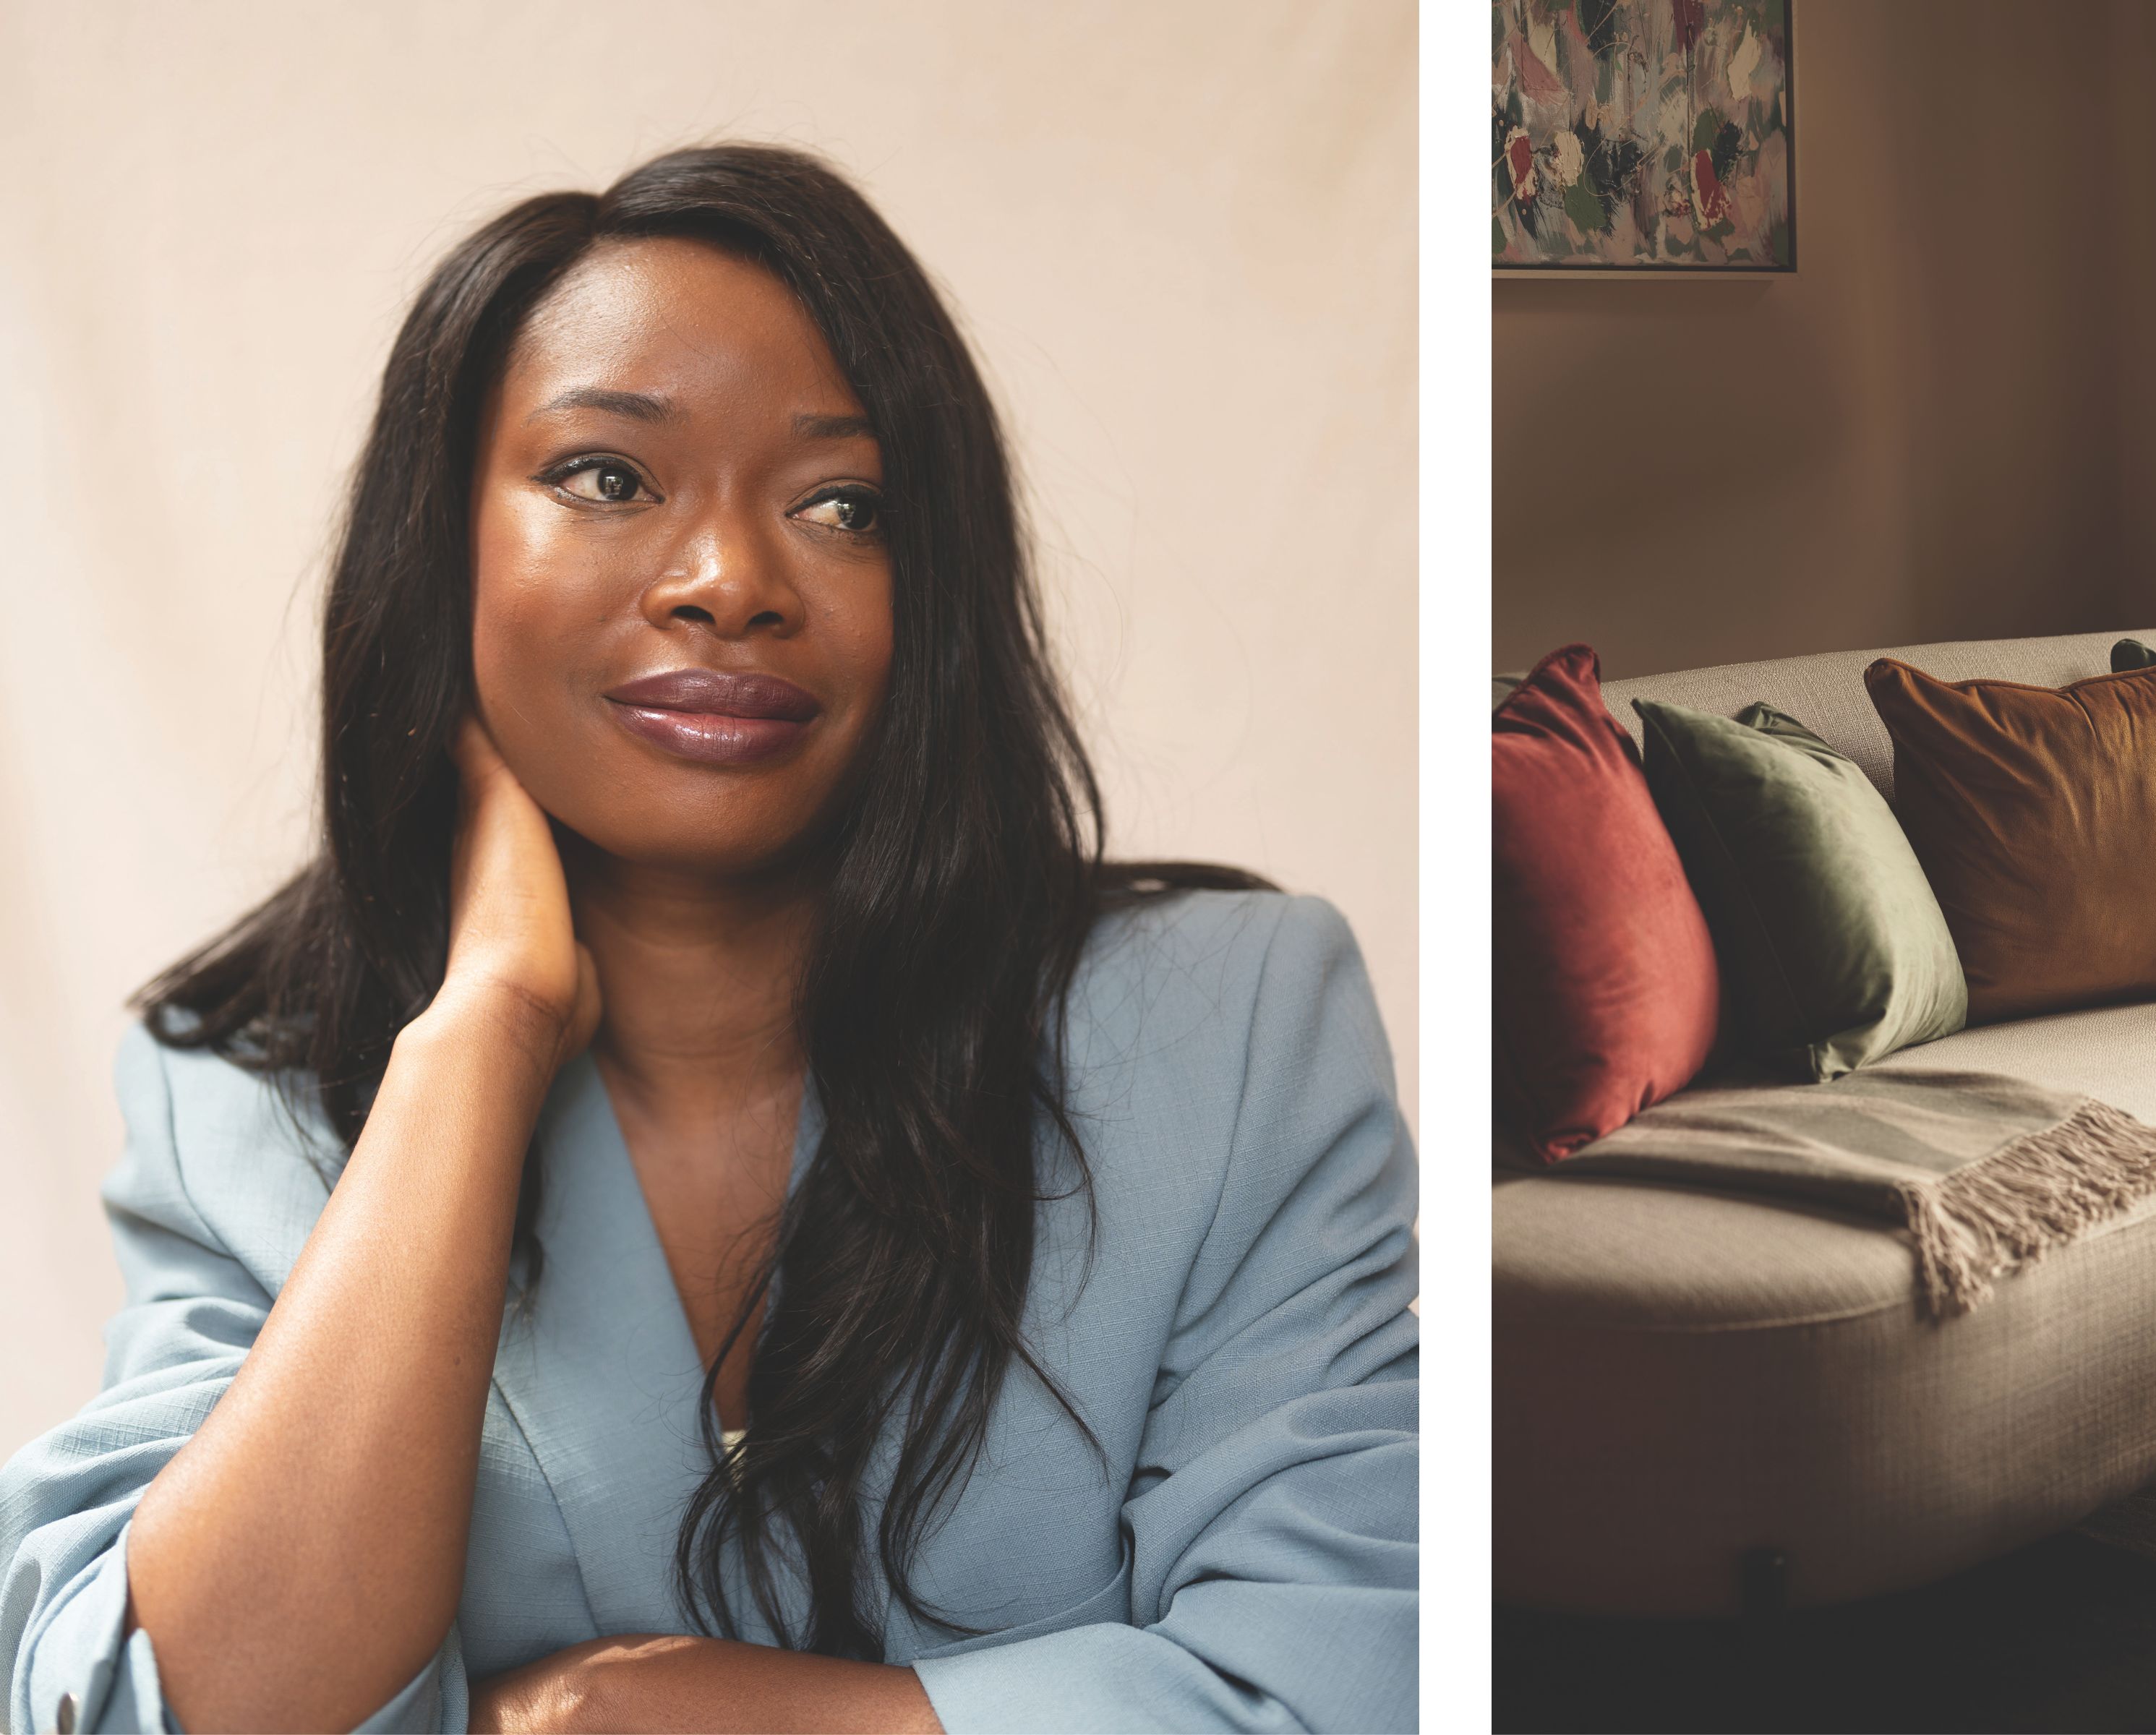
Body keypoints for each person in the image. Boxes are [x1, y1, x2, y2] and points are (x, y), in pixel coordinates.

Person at [0, 144, 1417, 1734]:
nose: (732, 581)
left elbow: (1358, 1674)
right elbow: (163, 1709)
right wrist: (484, 1033)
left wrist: (731, 1719)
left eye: (841, 504)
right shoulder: (243, 1096)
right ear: (442, 542)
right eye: (607, 476)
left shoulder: (1234, 1032)